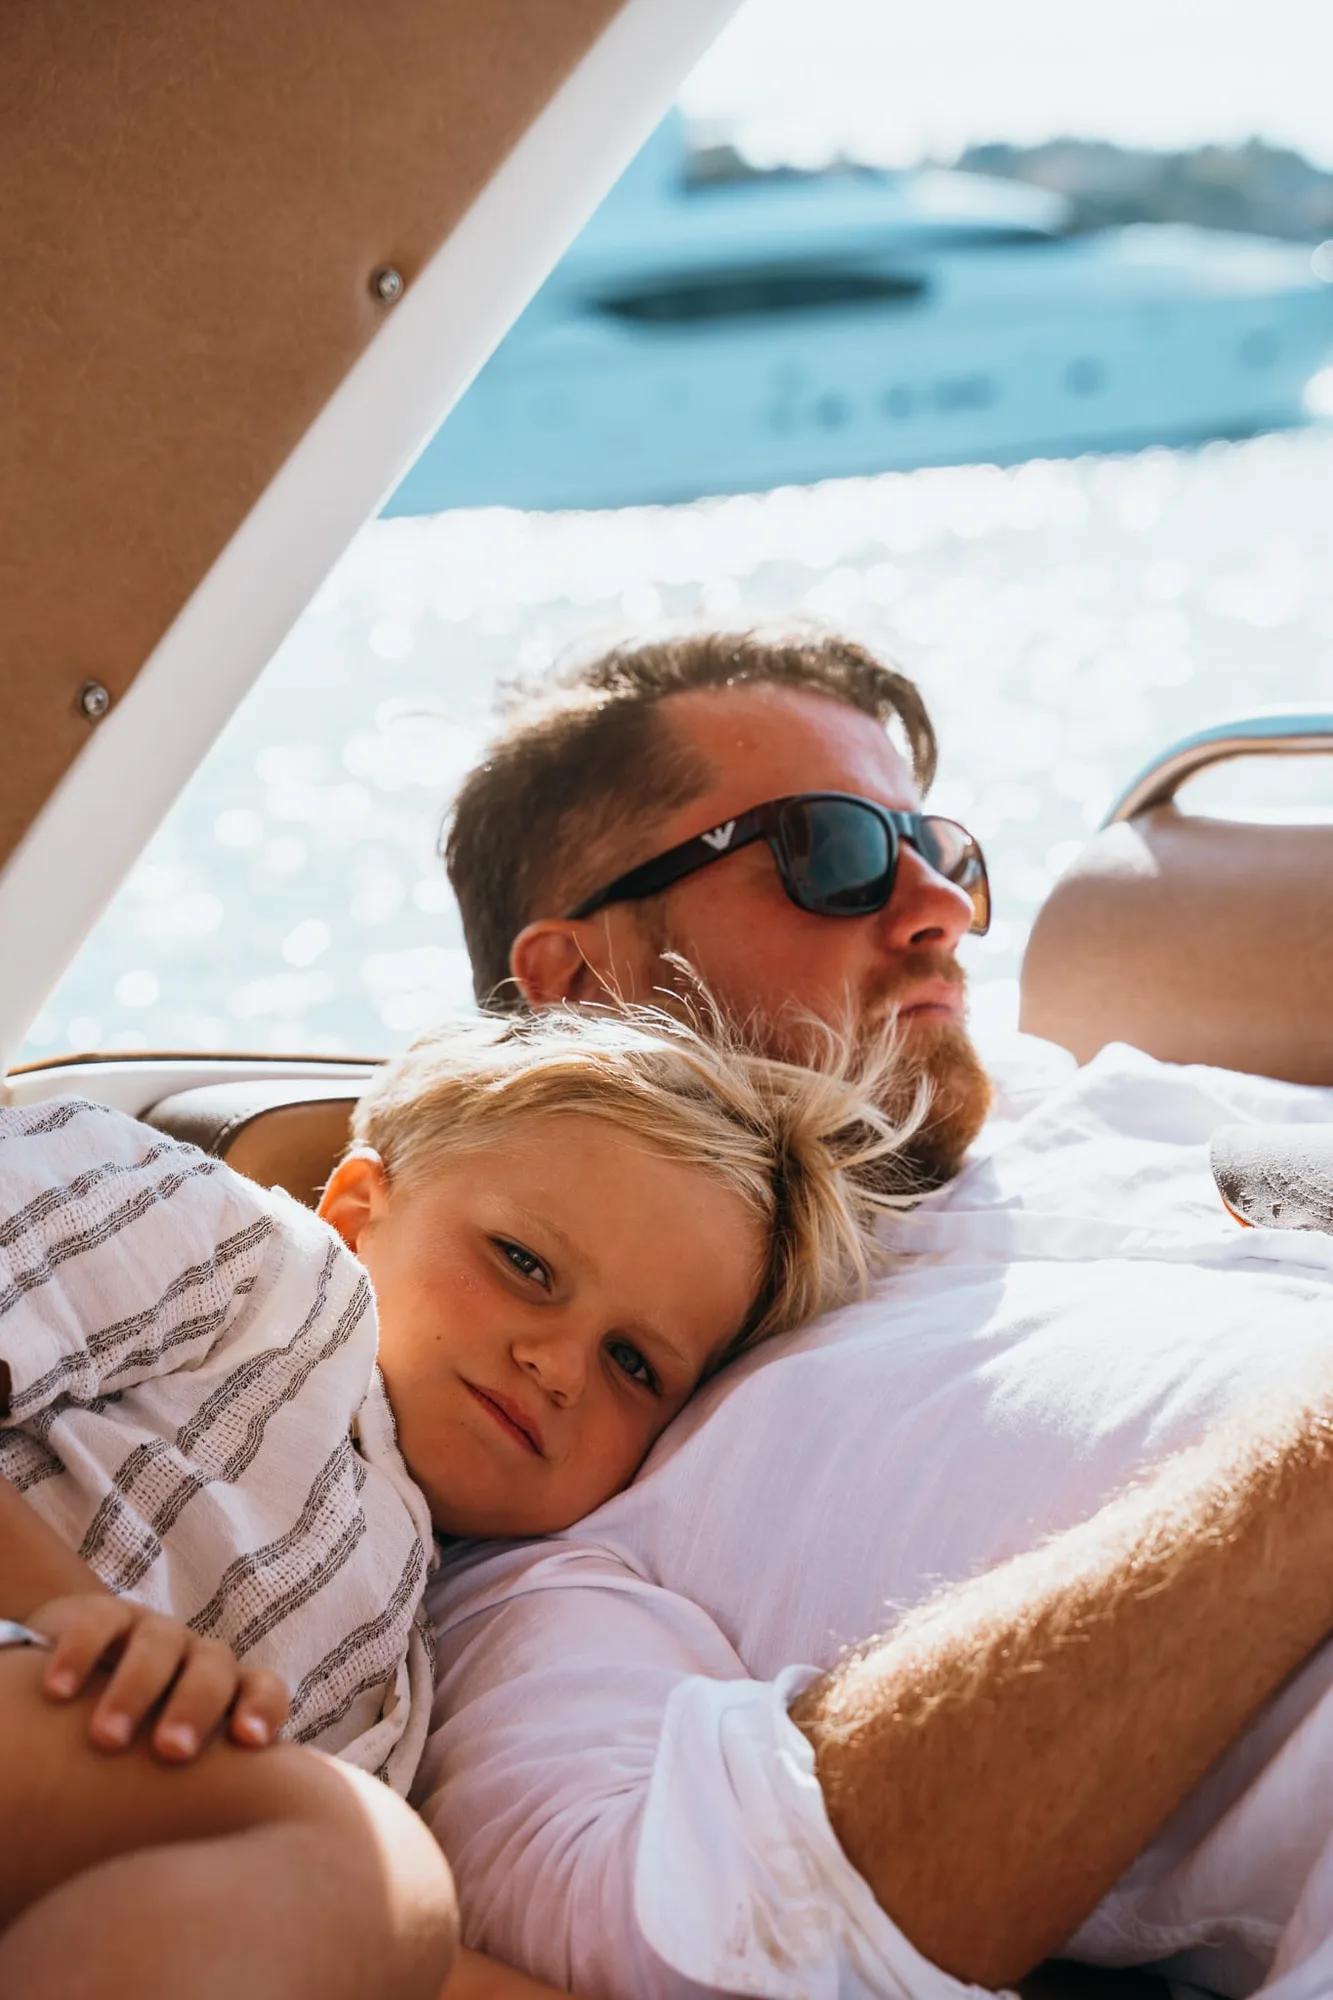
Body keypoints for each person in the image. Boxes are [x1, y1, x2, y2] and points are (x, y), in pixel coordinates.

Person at [415, 628, 1333, 2000]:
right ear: (576, 977)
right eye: (830, 851)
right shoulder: (565, 1444)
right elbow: (698, 1937)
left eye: (943, 854)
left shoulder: (1115, 1110)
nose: (939, 910)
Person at [0, 1004, 903, 2000]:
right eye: (523, 1262)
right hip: (50, 1672)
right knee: (356, 1861)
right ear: (355, 1207)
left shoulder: (406, 1670)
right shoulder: (244, 1247)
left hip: (114, 1854)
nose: (559, 1364)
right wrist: (70, 1610)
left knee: (375, 1895)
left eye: (632, 1362)